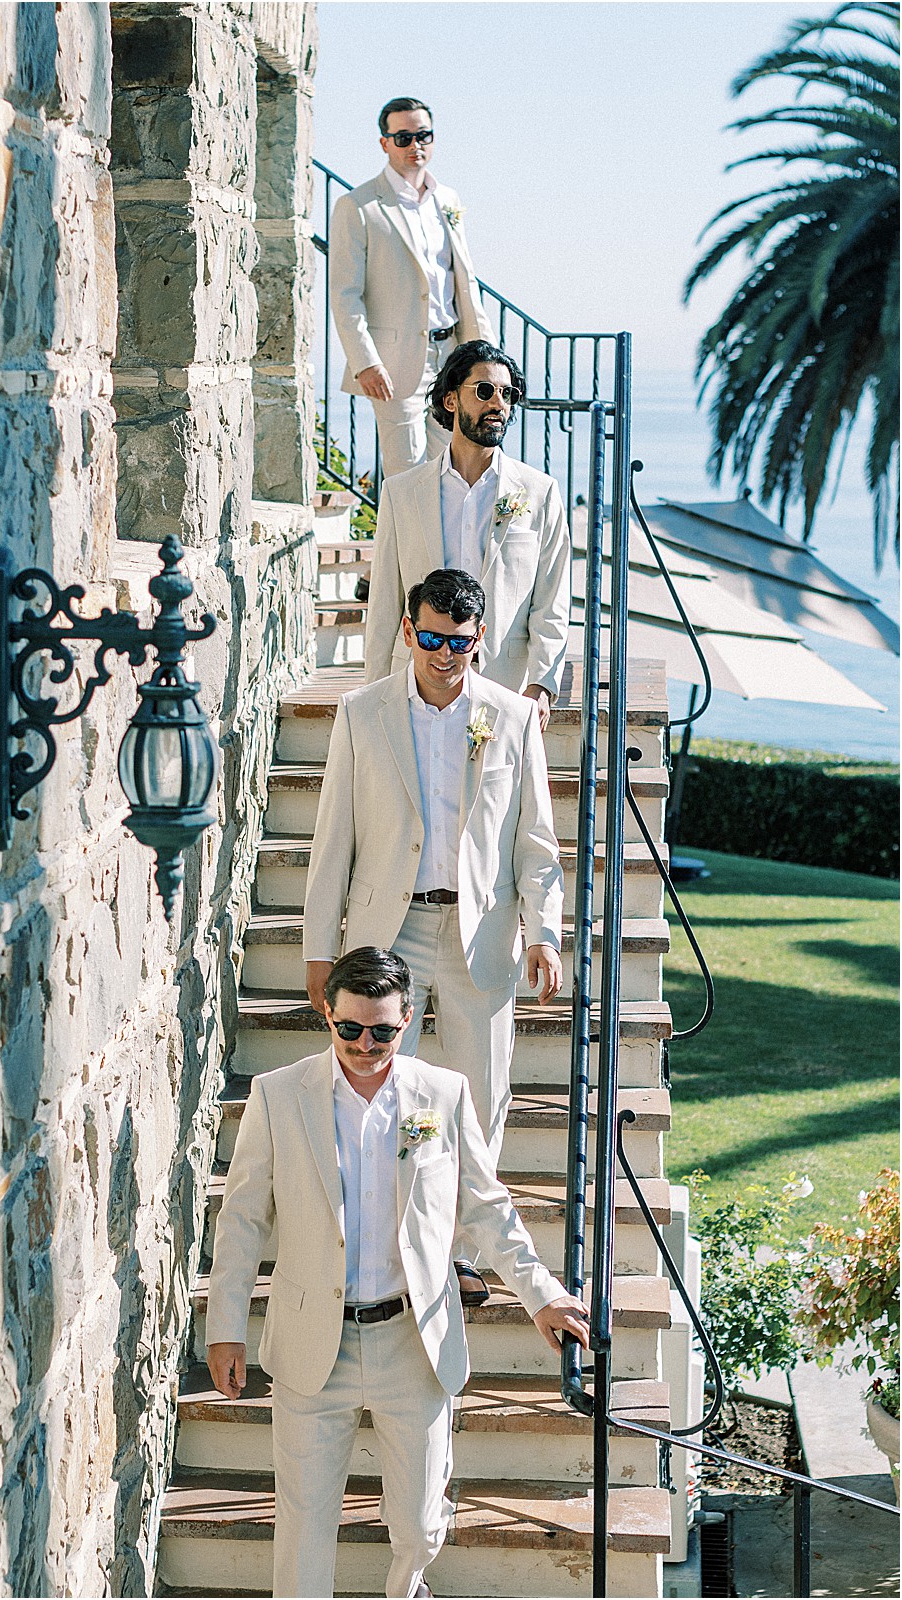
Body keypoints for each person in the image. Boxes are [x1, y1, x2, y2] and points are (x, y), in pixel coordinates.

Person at [205, 946, 591, 1600]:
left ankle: (407, 1588)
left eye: (381, 1030)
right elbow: (241, 1219)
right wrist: (226, 1327)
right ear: (326, 1014)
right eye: (348, 1027)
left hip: (412, 1340)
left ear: (407, 1019)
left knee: (416, 1525)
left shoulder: (435, 1097)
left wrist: (541, 1295)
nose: (364, 1043)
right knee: (303, 1524)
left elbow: (486, 1207)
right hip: (309, 1345)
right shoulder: (278, 1097)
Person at [303, 567, 563, 1184]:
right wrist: (320, 952)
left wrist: (543, 934)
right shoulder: (362, 713)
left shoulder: (514, 717)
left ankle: (465, 1249)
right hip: (388, 932)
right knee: (381, 1092)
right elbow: (333, 842)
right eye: (430, 638)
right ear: (408, 630)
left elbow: (536, 842)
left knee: (482, 1099)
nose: (443, 655)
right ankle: (397, 1241)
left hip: (484, 931)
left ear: (478, 640)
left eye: (459, 642)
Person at [363, 340, 571, 730]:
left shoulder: (539, 493)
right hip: (415, 678)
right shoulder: (402, 492)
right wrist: (376, 690)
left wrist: (542, 684)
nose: (498, 403)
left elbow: (552, 600)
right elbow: (385, 603)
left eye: (507, 394)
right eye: (484, 390)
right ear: (451, 400)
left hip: (504, 686)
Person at [329, 97, 492, 479]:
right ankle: (396, 542)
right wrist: (364, 361)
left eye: (422, 135)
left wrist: (481, 351)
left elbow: (465, 280)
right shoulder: (358, 206)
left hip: (452, 354)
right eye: (403, 137)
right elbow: (344, 293)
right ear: (384, 142)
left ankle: (435, 543)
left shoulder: (447, 200)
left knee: (449, 470)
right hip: (393, 361)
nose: (414, 145)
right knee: (405, 475)